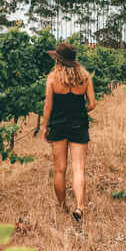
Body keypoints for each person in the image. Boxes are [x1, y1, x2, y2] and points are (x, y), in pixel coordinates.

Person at [41, 42, 96, 222]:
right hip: (79, 124)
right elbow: (92, 104)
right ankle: (80, 207)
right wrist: (80, 112)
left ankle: (63, 206)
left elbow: (48, 105)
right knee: (79, 168)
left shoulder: (52, 78)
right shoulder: (85, 77)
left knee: (59, 169)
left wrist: (45, 126)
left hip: (58, 125)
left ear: (58, 59)